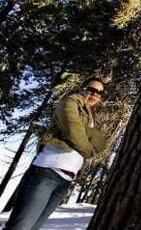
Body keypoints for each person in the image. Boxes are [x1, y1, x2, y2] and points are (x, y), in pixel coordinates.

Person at [4, 76, 108, 230]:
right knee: (20, 227)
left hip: (65, 181)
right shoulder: (70, 102)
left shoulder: (92, 118)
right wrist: (89, 149)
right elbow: (74, 131)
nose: (94, 94)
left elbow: (101, 142)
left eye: (99, 93)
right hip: (46, 172)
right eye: (91, 90)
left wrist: (87, 134)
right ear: (82, 89)